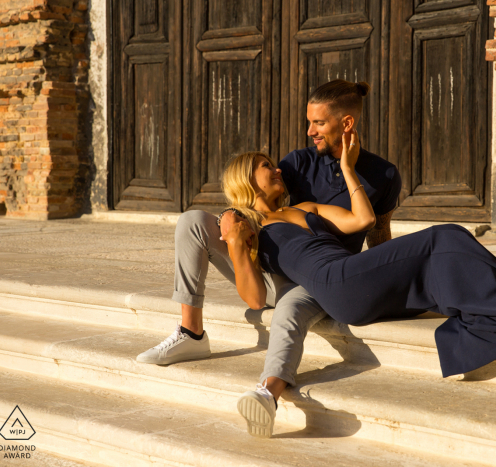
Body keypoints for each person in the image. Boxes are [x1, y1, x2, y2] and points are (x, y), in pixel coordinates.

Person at [221, 138, 496, 436]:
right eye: (265, 166)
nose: (277, 169)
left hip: (355, 279)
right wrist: (237, 244)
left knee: (439, 277)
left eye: (273, 164)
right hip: (338, 284)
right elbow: (255, 297)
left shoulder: (303, 209)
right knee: (444, 235)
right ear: (247, 179)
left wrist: (347, 168)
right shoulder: (245, 225)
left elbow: (362, 220)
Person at [136, 80, 402, 438]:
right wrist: (234, 226)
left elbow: (377, 230)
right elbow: (258, 196)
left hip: (321, 276)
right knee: (193, 221)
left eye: (318, 124)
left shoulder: (384, 175)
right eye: (309, 123)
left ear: (347, 123)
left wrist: (379, 281)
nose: (309, 132)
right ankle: (191, 331)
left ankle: (268, 391)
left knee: (291, 306)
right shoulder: (298, 162)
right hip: (273, 266)